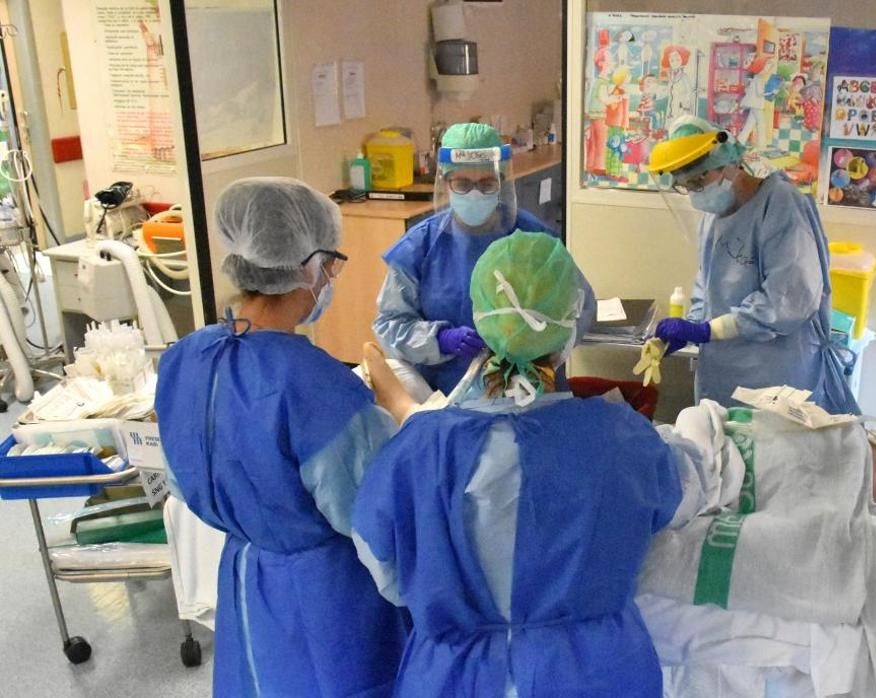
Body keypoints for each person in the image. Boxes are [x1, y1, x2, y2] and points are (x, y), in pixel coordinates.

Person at [354, 232, 718, 697]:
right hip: (592, 675)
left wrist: (455, 597)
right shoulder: (620, 439)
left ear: (481, 320)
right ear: (571, 325)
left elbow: (384, 567)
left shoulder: (416, 450)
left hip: (453, 678)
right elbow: (686, 495)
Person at [155, 178, 408, 697]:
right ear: (307, 266)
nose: (330, 277)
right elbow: (378, 522)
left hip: (247, 581)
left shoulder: (186, 360)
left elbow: (182, 482)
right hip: (327, 600)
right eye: (331, 264)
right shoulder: (316, 389)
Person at [648, 117, 860, 415]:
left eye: (697, 181)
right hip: (724, 373)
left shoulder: (780, 204)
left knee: (775, 443)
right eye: (685, 186)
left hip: (777, 376)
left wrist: (708, 330)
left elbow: (789, 299)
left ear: (729, 164)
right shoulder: (715, 216)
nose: (695, 193)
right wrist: (691, 327)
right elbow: (708, 287)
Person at [373, 122, 595, 397]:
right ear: (445, 182)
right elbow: (390, 324)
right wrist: (439, 340)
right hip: (449, 398)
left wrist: (539, 352)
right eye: (462, 184)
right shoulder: (419, 248)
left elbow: (581, 306)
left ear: (501, 182)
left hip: (530, 391)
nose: (475, 193)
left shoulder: (534, 240)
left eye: (487, 183)